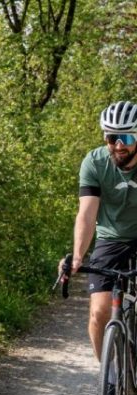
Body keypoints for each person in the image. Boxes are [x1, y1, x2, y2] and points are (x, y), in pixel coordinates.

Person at [61, 100, 137, 360]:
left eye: (126, 137)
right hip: (111, 239)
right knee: (98, 313)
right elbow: (87, 213)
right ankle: (112, 376)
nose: (118, 145)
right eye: (111, 137)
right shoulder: (94, 162)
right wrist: (78, 256)